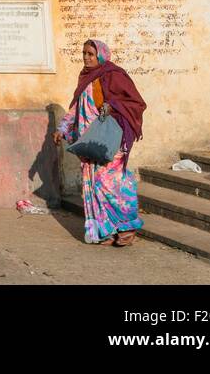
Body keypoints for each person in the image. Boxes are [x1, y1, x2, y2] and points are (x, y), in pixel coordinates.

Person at [53, 39, 147, 247]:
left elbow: (135, 103)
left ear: (101, 55)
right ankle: (106, 230)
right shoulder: (86, 78)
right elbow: (77, 108)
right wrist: (62, 129)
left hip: (110, 141)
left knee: (114, 183)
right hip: (90, 141)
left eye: (91, 54)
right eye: (84, 53)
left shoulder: (114, 75)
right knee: (95, 185)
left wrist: (111, 106)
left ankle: (127, 227)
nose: (86, 57)